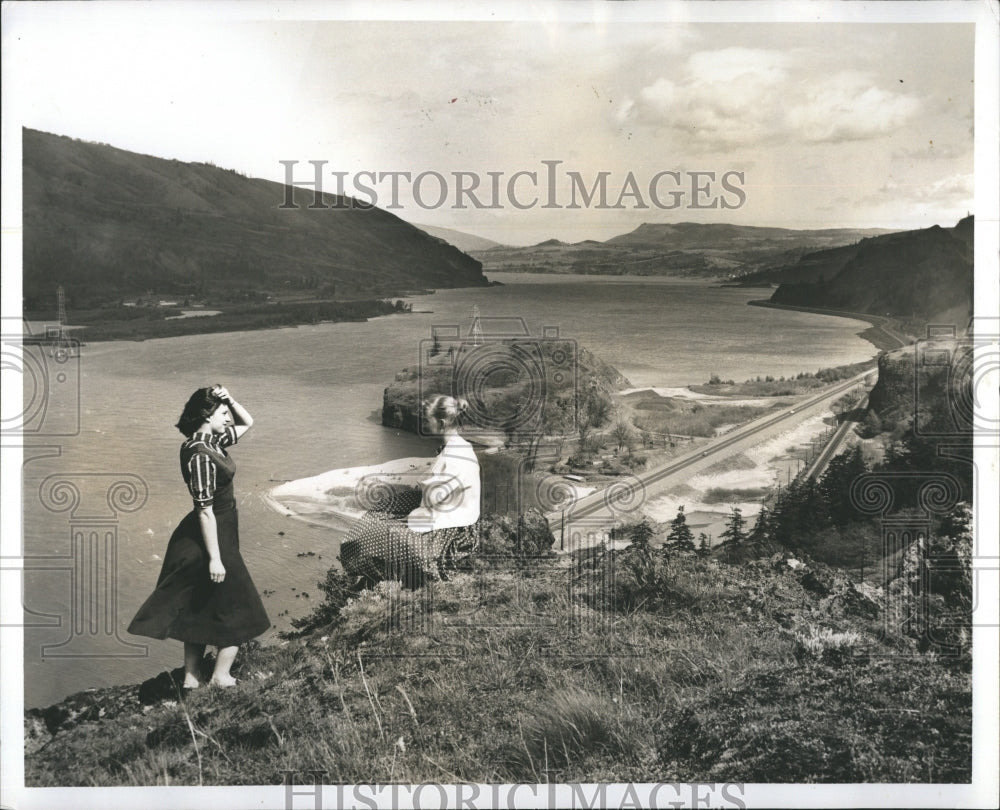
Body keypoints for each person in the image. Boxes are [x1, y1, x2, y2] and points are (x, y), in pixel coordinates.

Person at [128, 385, 269, 688]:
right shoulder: (201, 455)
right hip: (210, 536)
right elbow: (204, 510)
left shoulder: (212, 442)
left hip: (220, 532)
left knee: (200, 606)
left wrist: (229, 398)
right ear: (207, 415)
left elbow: (248, 422)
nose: (229, 418)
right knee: (242, 609)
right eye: (222, 413)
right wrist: (216, 559)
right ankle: (220, 676)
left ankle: (192, 679)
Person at [340, 395, 481, 587]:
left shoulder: (456, 456)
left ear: (440, 423)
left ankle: (371, 577)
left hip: (453, 527)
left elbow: (433, 498)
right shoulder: (458, 446)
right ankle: (369, 574)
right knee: (385, 507)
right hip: (447, 512)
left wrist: (423, 488)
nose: (425, 423)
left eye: (427, 420)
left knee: (379, 532)